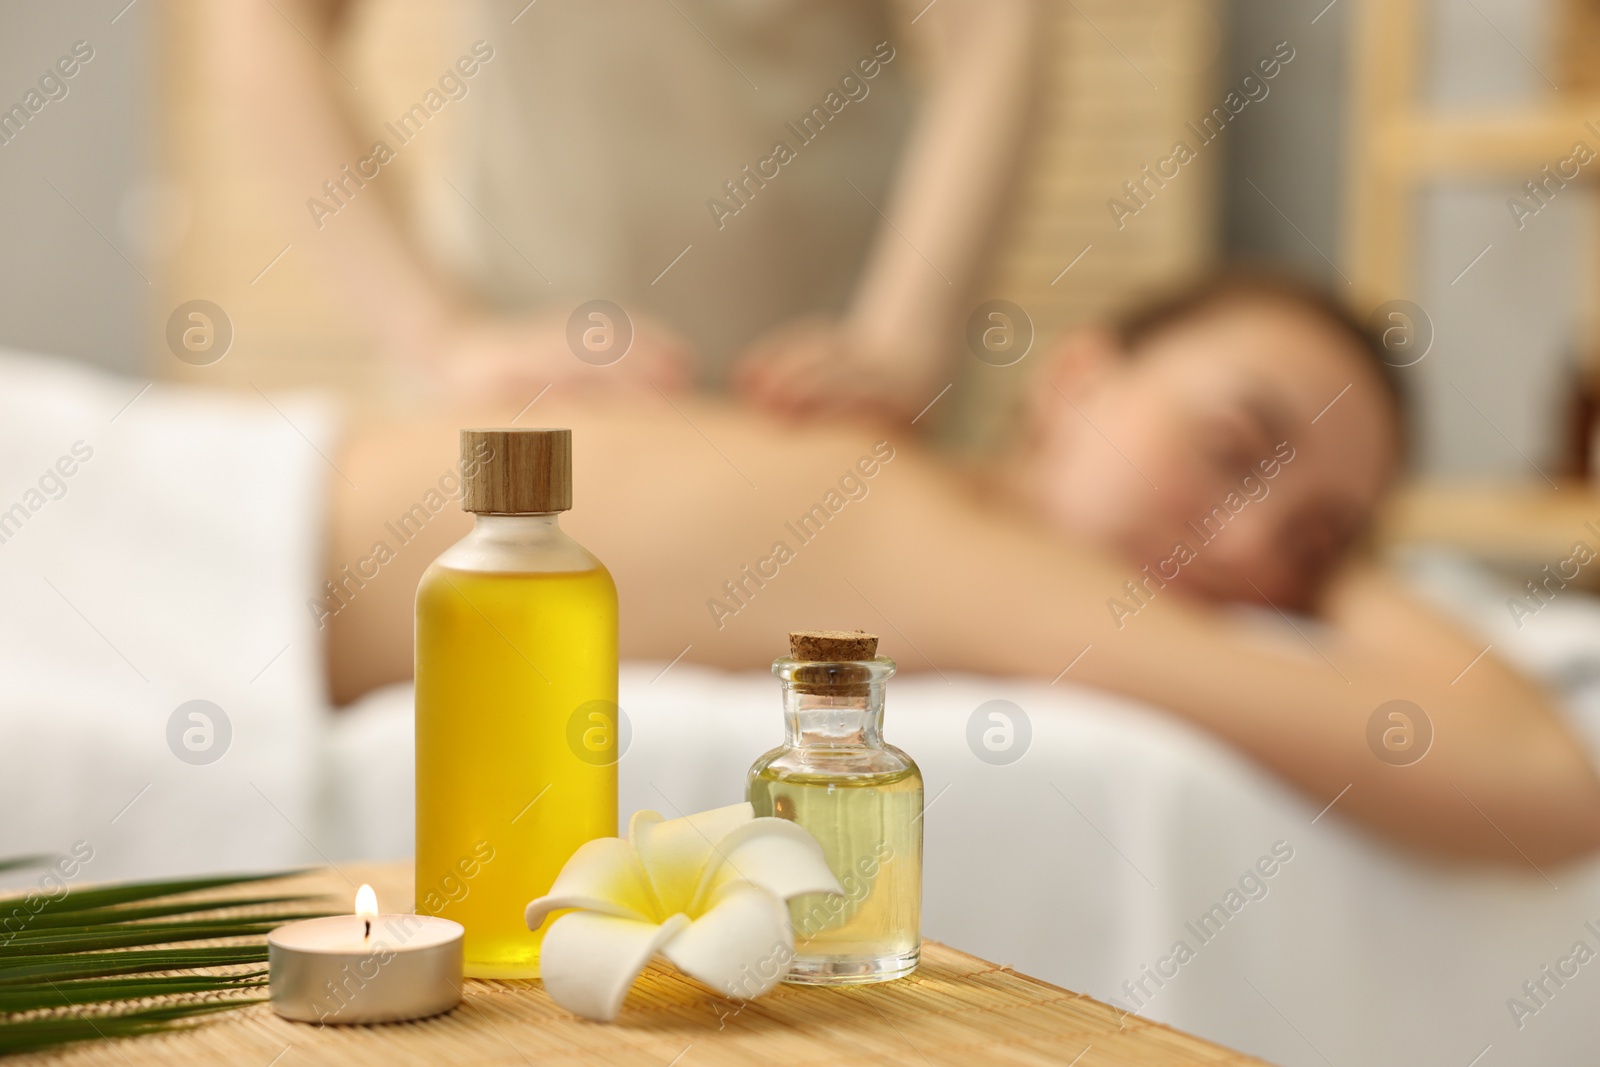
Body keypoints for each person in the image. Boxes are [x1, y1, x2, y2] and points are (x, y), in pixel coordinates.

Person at [320, 273, 1600, 867]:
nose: (1259, 543)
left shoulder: (900, 505)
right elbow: (1538, 777)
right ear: (1076, 379)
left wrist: (1339, 564)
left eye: (1313, 544)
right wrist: (1350, 571)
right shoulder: (940, 530)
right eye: (1230, 449)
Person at [211, 0, 1038, 416]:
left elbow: (999, 24)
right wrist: (444, 338)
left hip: (850, 418)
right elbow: (262, 24)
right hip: (528, 409)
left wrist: (902, 342)